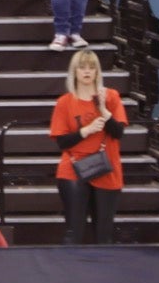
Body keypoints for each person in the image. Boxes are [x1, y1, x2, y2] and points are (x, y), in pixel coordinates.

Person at [50, 47, 128, 245]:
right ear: (74, 71)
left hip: (106, 168)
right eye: (82, 67)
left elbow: (118, 133)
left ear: (97, 72)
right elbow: (62, 141)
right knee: (74, 231)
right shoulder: (64, 102)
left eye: (91, 68)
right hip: (74, 168)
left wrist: (102, 108)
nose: (86, 71)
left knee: (104, 233)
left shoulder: (111, 97)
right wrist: (87, 130)